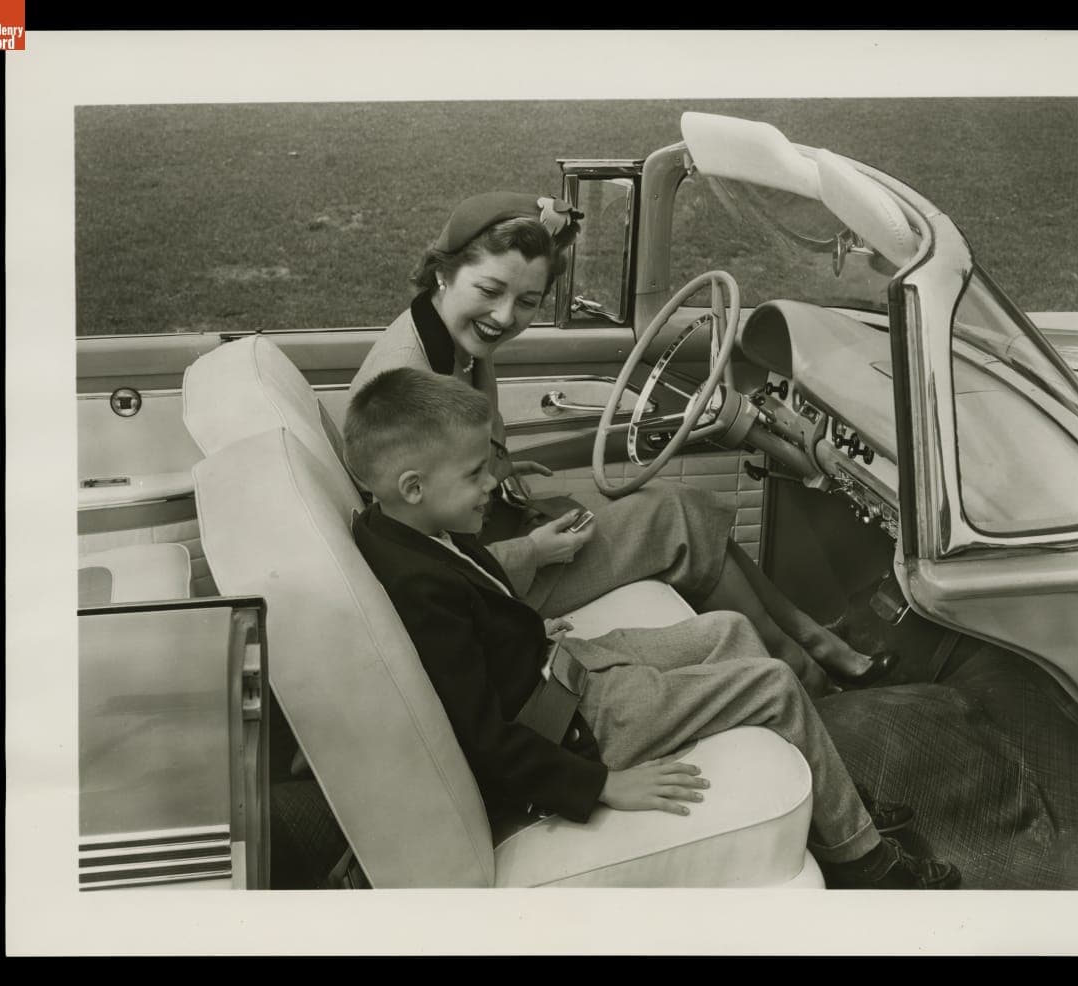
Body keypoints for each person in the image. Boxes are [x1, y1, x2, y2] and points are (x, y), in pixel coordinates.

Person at [344, 366, 960, 889]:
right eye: (476, 473)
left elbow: (486, 620)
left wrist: (531, 631)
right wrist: (601, 783)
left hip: (565, 668)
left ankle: (838, 798)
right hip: (576, 728)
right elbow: (479, 737)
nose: (491, 484)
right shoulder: (418, 586)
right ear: (413, 486)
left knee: (728, 630)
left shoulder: (406, 528)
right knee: (771, 683)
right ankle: (866, 862)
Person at [347, 191, 896, 697]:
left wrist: (503, 469)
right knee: (676, 519)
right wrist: (534, 551)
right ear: (444, 272)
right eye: (490, 291)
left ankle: (819, 647)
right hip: (493, 587)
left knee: (687, 514)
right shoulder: (410, 380)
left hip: (499, 538)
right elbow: (422, 565)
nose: (504, 317)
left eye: (527, 302)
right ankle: (810, 678)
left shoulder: (448, 338)